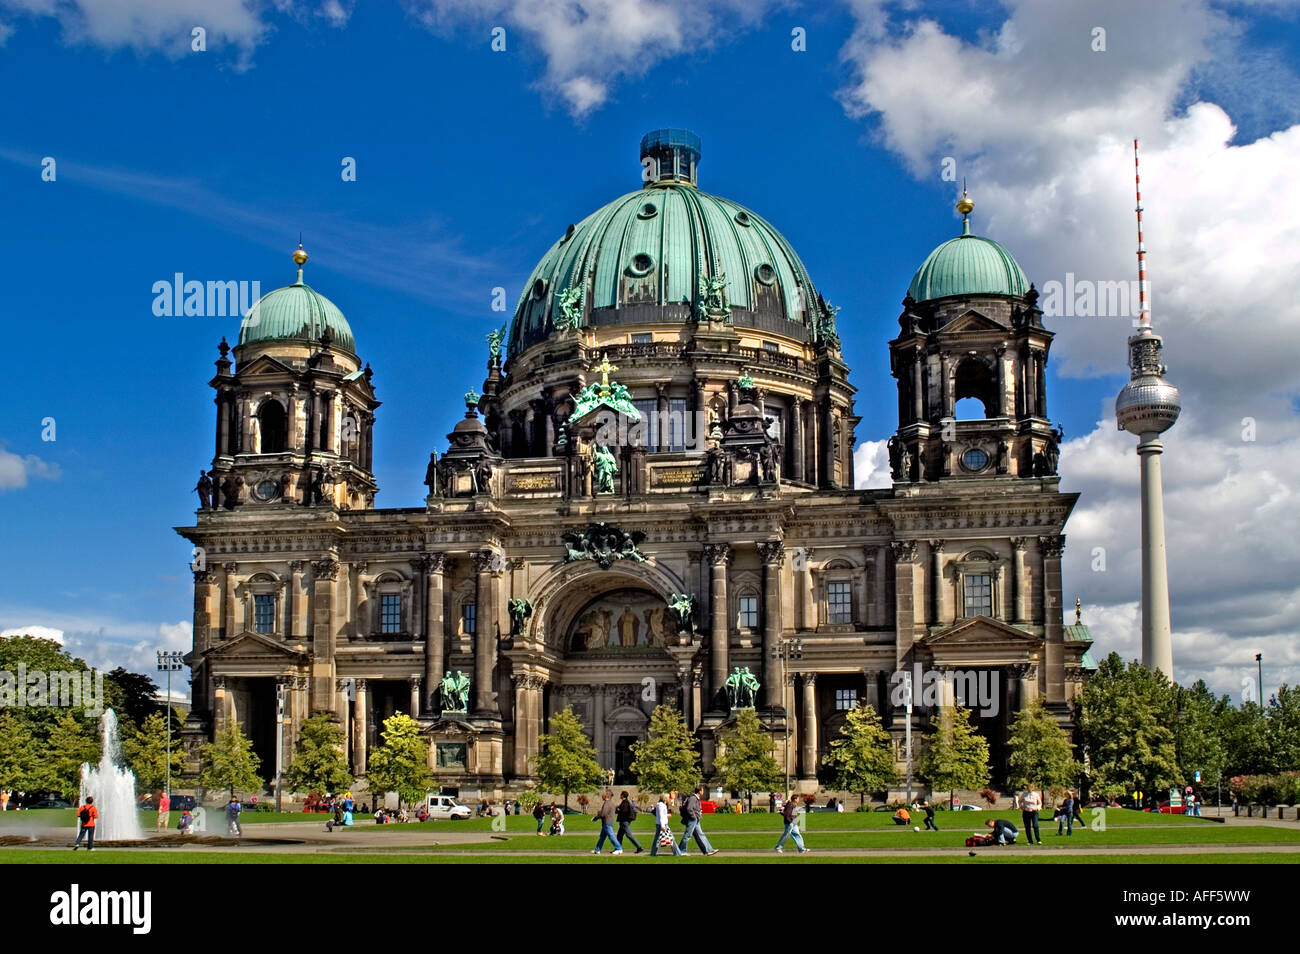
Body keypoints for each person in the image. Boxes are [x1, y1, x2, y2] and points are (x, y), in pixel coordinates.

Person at [678, 785, 718, 856]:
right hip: (692, 820)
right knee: (688, 835)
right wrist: (694, 817)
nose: (703, 791)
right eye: (702, 790)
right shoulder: (693, 798)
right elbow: (689, 809)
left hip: (695, 819)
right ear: (699, 791)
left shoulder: (696, 798)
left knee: (700, 835)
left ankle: (708, 850)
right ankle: (681, 851)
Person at [592, 790, 623, 854]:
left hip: (607, 822)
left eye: (603, 795)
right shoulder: (610, 803)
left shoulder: (607, 803)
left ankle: (619, 848)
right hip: (608, 822)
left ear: (606, 795)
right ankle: (597, 849)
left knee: (611, 836)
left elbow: (603, 813)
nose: (602, 796)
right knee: (602, 837)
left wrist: (596, 817)